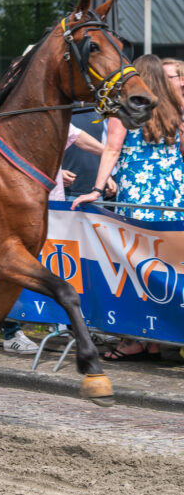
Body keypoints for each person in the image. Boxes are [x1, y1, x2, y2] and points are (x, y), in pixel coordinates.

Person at [72, 54, 184, 362]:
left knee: (133, 266)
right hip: (172, 193)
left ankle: (134, 339)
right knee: (166, 266)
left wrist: (97, 188)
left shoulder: (127, 107)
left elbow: (112, 149)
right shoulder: (176, 106)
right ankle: (157, 338)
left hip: (138, 192)